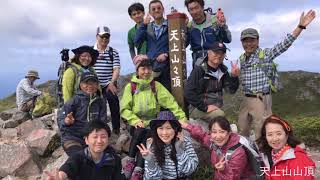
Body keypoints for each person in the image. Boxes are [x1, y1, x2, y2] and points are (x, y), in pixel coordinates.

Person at [237, 10, 316, 140]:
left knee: (261, 132)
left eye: (251, 40)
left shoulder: (266, 54)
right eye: (245, 41)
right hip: (246, 98)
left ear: (257, 41)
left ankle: (263, 158)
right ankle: (244, 156)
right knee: (243, 129)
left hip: (261, 98)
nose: (248, 44)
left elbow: (284, 44)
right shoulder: (242, 58)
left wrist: (300, 27)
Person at [120, 59, 187, 179]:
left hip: (153, 122)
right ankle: (132, 162)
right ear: (137, 70)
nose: (146, 72)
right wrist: (134, 120)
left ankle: (137, 169)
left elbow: (170, 103)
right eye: (143, 69)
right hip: (136, 123)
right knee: (141, 130)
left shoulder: (155, 86)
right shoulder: (131, 87)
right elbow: (125, 109)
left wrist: (181, 118)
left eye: (149, 69)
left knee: (149, 134)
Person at [45, 120, 125, 180]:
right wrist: (59, 177)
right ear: (86, 140)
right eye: (95, 137)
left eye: (103, 137)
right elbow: (67, 168)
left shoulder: (114, 160)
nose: (99, 141)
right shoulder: (78, 158)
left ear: (108, 140)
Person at [180, 116, 253, 179]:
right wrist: (187, 126)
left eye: (222, 132)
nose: (218, 136)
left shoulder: (238, 153)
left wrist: (224, 170)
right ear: (210, 133)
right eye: (214, 132)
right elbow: (203, 136)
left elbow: (234, 177)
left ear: (229, 133)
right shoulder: (213, 142)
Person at [184, 42, 239, 122]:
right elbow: (188, 92)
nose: (219, 56)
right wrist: (205, 107)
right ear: (209, 53)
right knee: (220, 116)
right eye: (216, 52)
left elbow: (231, 91)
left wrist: (234, 77)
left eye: (222, 53)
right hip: (198, 109)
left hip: (216, 108)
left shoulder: (223, 71)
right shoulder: (199, 70)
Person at [137, 110, 198, 180]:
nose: (164, 133)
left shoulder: (184, 141)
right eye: (160, 128)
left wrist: (180, 150)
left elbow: (190, 170)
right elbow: (151, 178)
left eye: (168, 128)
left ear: (175, 129)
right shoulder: (152, 145)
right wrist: (150, 161)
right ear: (156, 130)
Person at [58, 72, 107, 156]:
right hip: (72, 138)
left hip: (92, 138)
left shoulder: (100, 102)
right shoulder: (73, 101)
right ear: (80, 85)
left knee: (109, 158)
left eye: (94, 83)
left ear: (97, 85)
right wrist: (66, 122)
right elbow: (60, 119)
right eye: (86, 83)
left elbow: (103, 123)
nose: (90, 86)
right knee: (78, 158)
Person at [257, 115, 316, 180]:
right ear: (265, 137)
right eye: (270, 134)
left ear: (287, 135)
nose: (275, 139)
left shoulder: (298, 158)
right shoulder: (268, 156)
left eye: (279, 134)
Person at [134, 0, 171, 91]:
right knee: (153, 93)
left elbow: (182, 43)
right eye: (153, 9)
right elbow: (136, 41)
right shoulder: (147, 27)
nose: (156, 10)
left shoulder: (171, 25)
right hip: (151, 66)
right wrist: (144, 25)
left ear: (163, 10)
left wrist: (166, 54)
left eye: (159, 8)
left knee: (167, 92)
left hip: (167, 66)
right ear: (150, 12)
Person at [184, 0, 232, 66]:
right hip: (198, 65)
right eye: (191, 9)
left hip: (216, 65)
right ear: (188, 11)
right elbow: (183, 45)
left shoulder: (215, 20)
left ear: (202, 7)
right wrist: (183, 28)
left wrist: (222, 26)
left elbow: (228, 40)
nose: (194, 12)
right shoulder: (189, 26)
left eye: (196, 8)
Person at [93, 26, 121, 134]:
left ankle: (116, 128)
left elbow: (116, 69)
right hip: (94, 85)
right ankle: (97, 128)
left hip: (109, 83)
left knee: (114, 101)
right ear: (97, 37)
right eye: (102, 36)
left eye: (107, 36)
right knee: (96, 106)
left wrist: (112, 82)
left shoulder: (113, 52)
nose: (105, 39)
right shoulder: (91, 51)